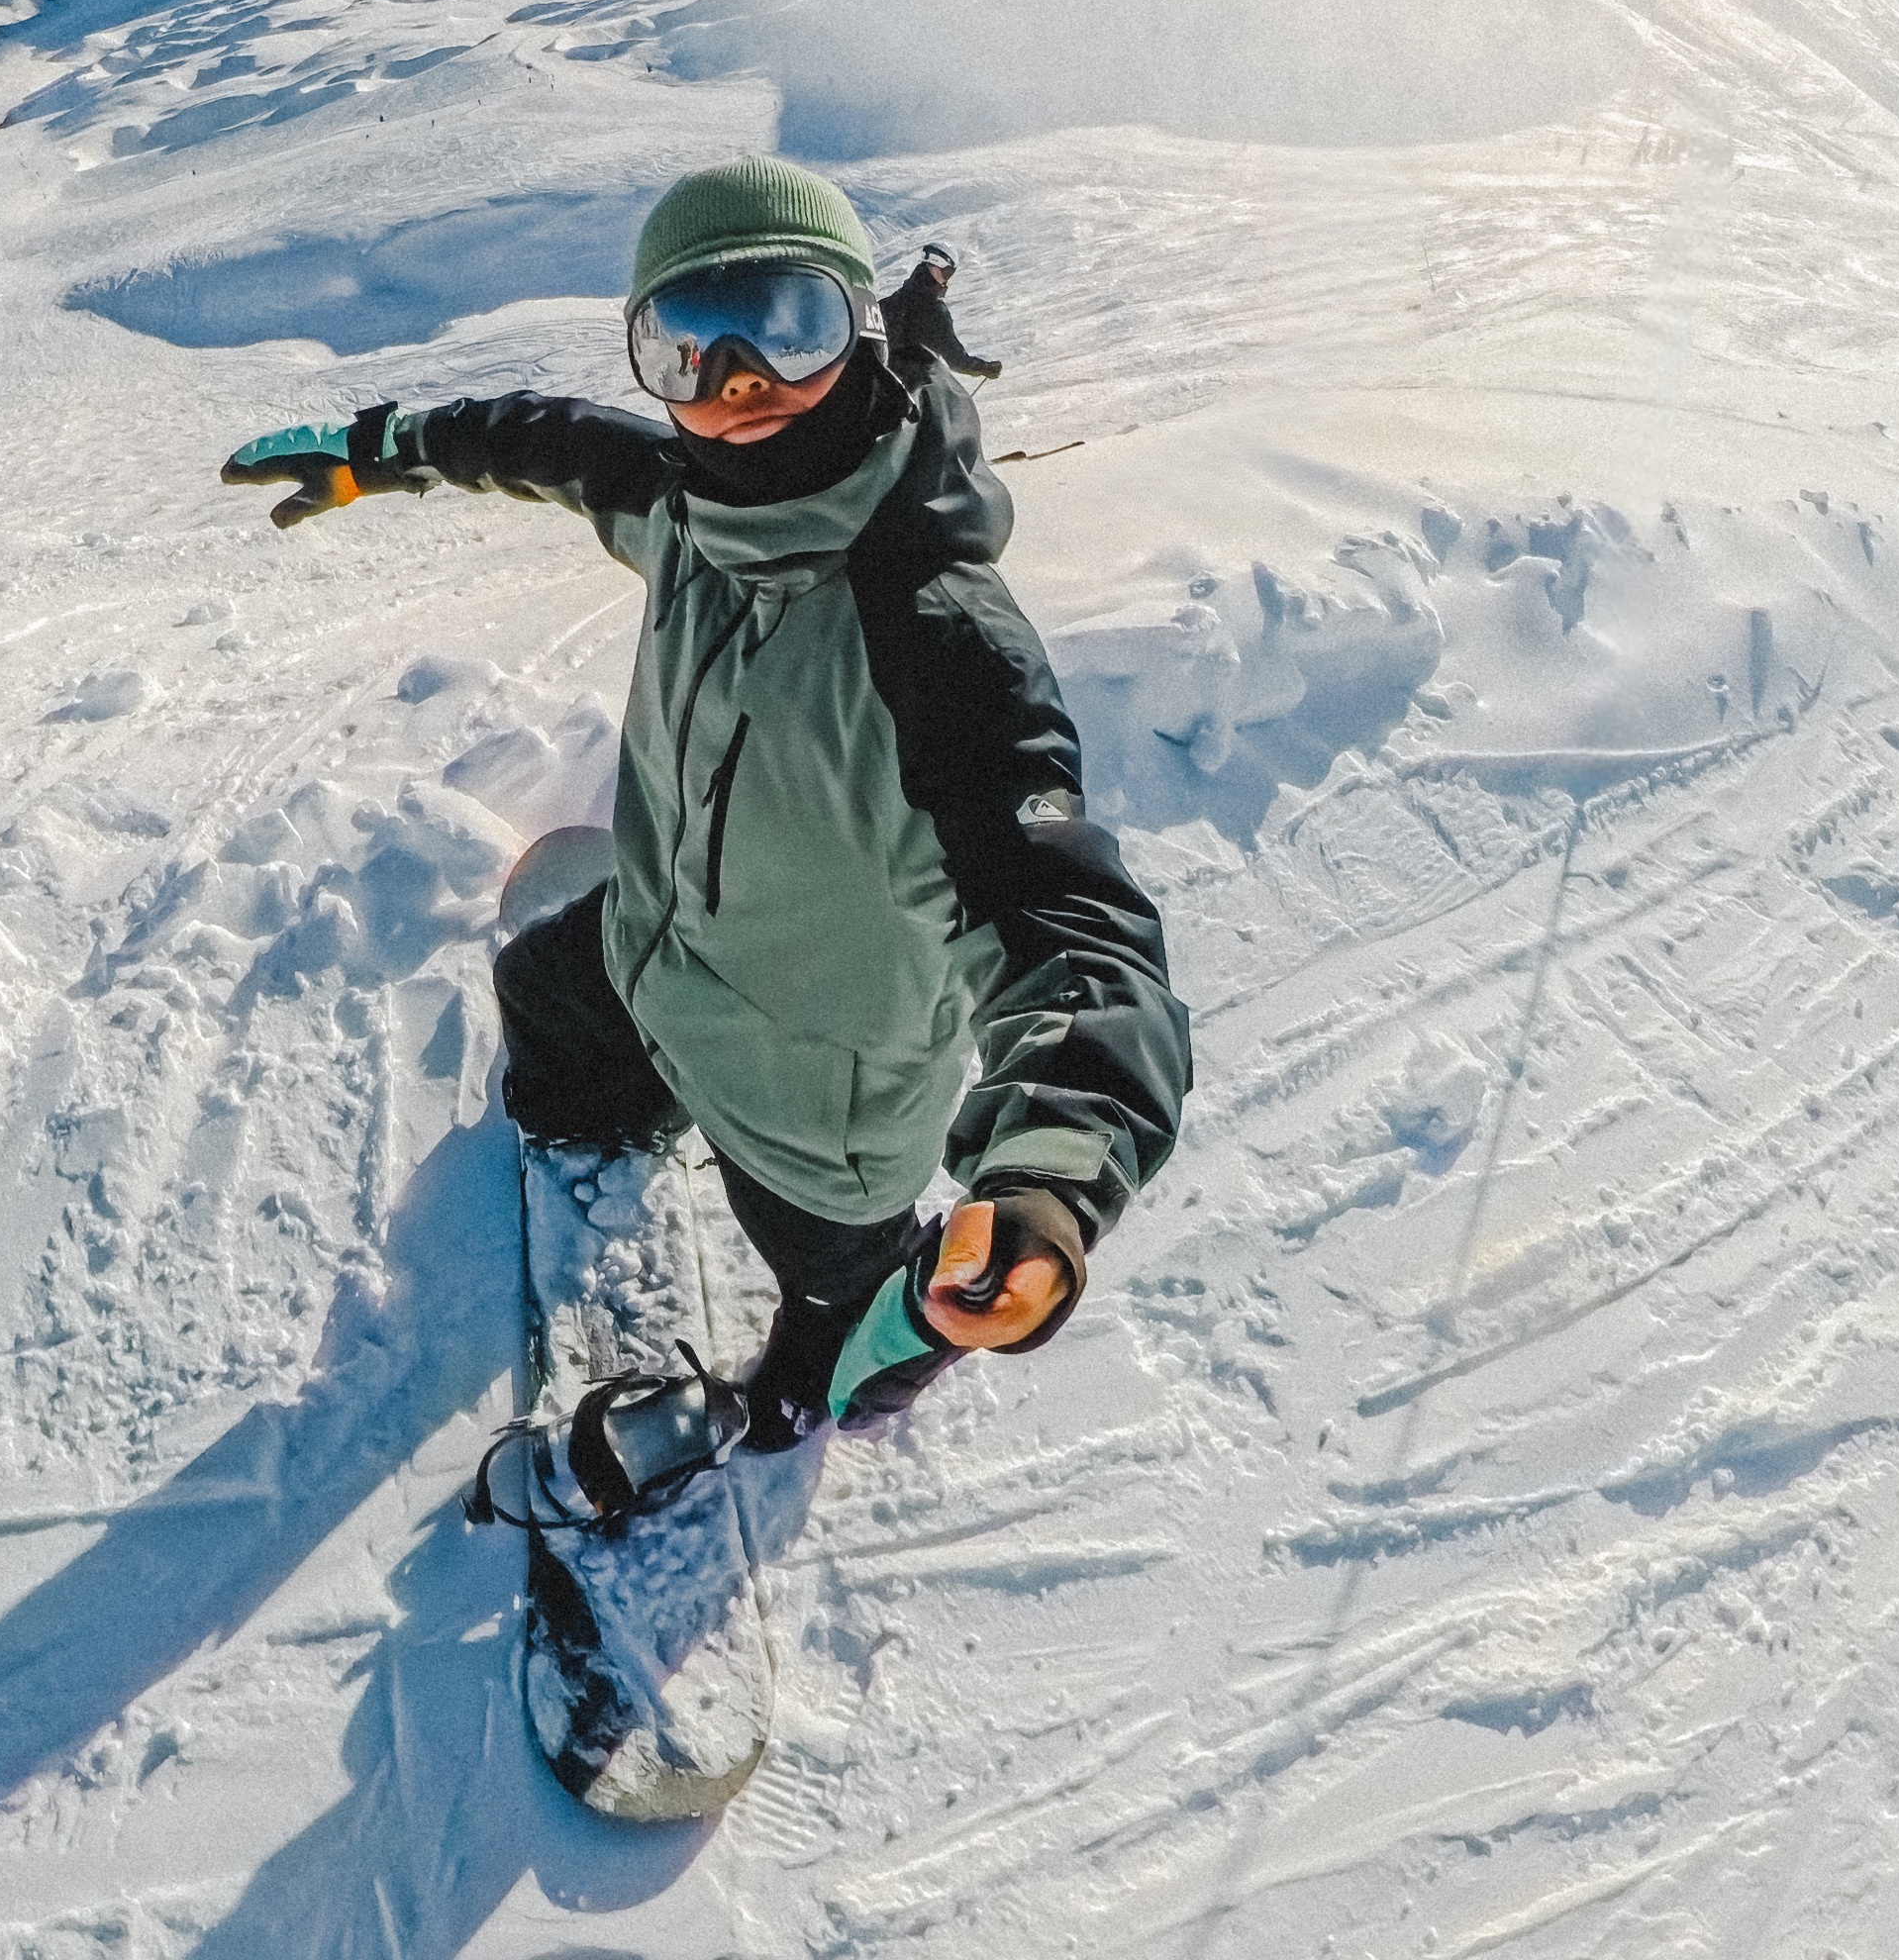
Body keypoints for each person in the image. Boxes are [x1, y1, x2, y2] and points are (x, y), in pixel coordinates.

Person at [222, 154, 1190, 1461]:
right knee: (551, 1000)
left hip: (815, 1111)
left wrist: (1047, 1181)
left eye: (786, 328)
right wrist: (390, 450)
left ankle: (815, 1399)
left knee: (838, 1316)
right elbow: (551, 446)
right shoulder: (689, 507)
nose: (739, 385)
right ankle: (604, 1128)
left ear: (857, 331)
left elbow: (1076, 938)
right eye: (687, 346)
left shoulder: (936, 639)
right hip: (656, 958)